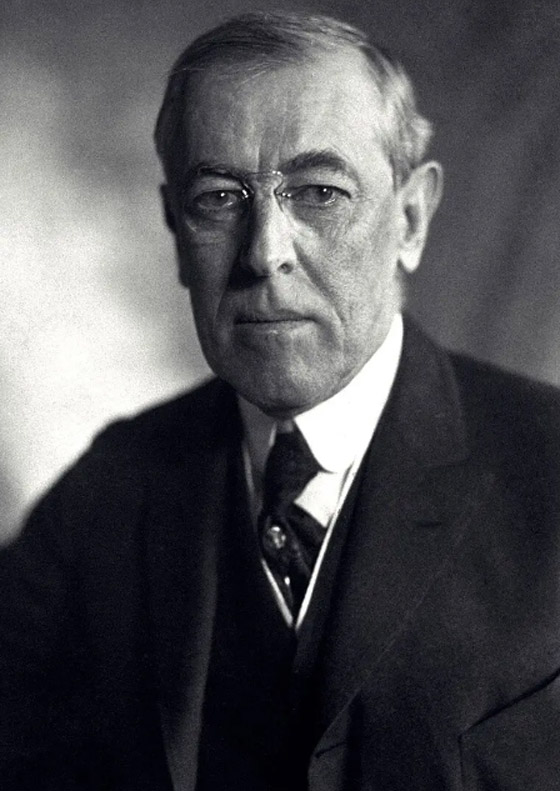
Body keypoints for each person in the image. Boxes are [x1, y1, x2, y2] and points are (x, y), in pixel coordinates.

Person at [2, 10, 560, 791]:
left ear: (410, 219)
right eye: (219, 198)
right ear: (175, 231)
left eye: (320, 192)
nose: (264, 252)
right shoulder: (103, 498)